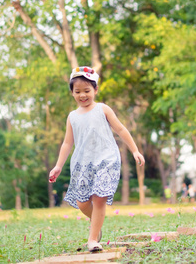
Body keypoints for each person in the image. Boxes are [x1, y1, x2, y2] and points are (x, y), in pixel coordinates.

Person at [48, 66, 145, 252]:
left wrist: (135, 150)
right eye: (77, 92)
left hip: (107, 159)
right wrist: (58, 166)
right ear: (72, 93)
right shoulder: (72, 117)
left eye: (87, 91)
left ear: (95, 90)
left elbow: (121, 129)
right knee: (82, 202)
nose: (82, 95)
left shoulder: (102, 109)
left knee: (99, 198)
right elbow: (67, 143)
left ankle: (92, 239)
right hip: (83, 163)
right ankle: (96, 225)